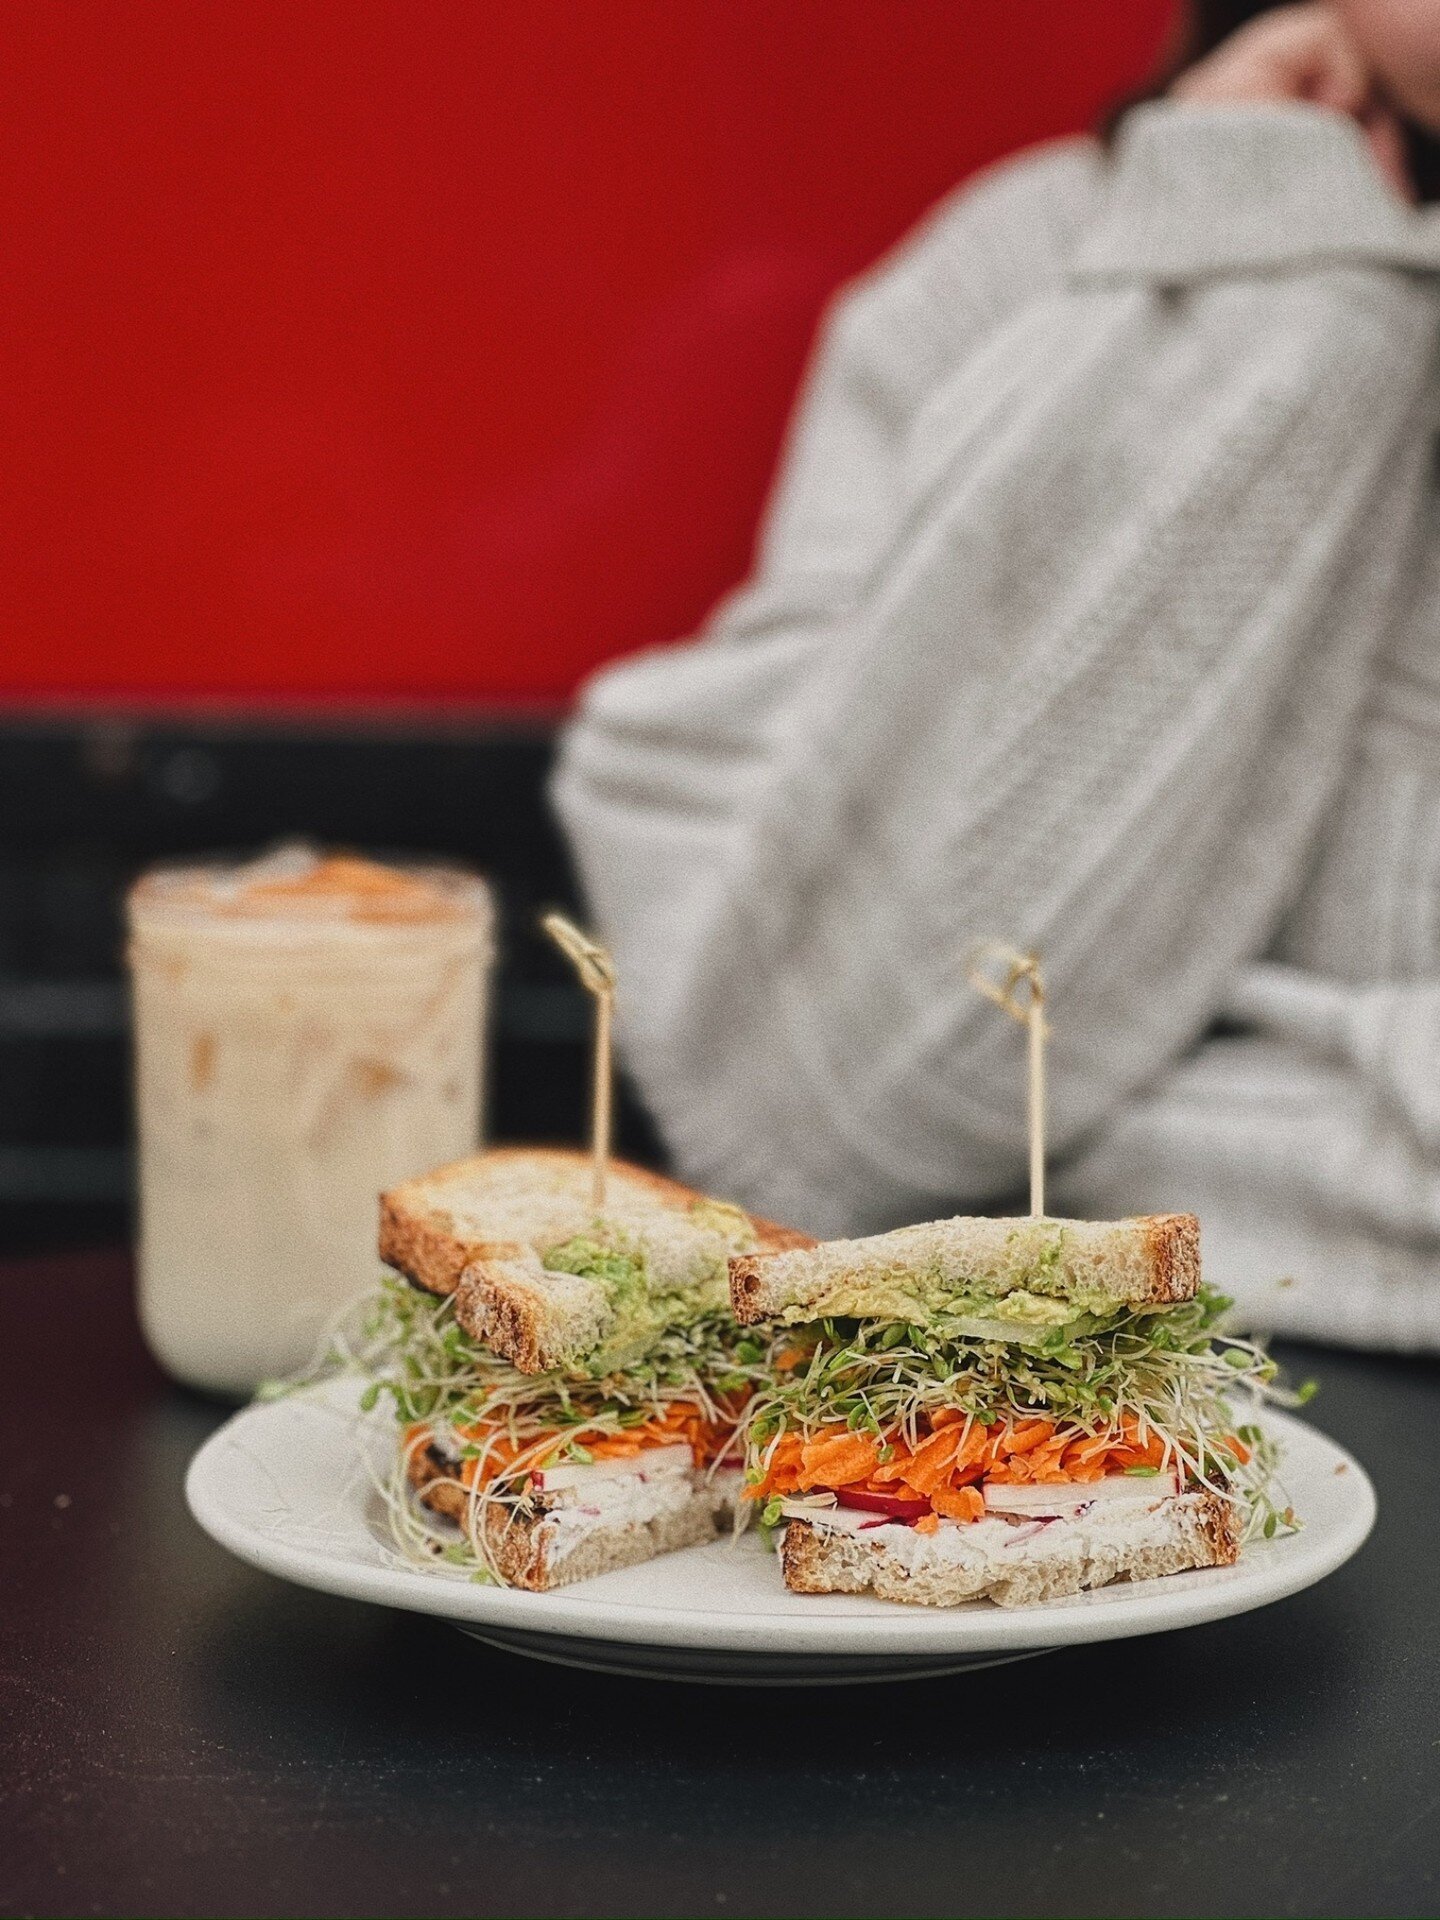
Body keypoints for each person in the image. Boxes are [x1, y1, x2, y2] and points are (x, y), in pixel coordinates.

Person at [553, 0, 1440, 1352]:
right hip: (1033, 1490)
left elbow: (941, 1172)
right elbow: (818, 1110)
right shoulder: (1040, 271)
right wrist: (1288, 282)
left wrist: (1070, 1166)